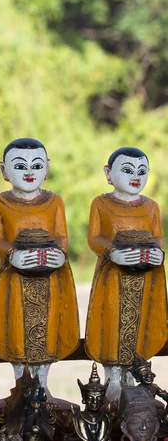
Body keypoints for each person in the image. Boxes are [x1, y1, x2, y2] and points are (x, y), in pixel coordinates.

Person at [0, 138, 79, 394]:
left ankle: (42, 384)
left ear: (47, 167)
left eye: (37, 165)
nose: (29, 172)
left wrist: (60, 253)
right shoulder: (1, 202)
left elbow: (61, 235)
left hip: (49, 276)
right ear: (4, 170)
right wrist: (11, 255)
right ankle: (21, 384)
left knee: (48, 330)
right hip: (16, 278)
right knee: (17, 331)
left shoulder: (54, 201)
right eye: (20, 166)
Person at [85, 147, 167, 404]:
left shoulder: (151, 207)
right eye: (128, 171)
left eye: (142, 172)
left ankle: (134, 380)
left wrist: (157, 254)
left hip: (144, 279)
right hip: (114, 279)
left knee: (140, 328)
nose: (136, 177)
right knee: (112, 326)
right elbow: (94, 238)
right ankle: (112, 382)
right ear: (109, 174)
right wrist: (112, 252)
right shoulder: (101, 203)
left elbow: (157, 239)